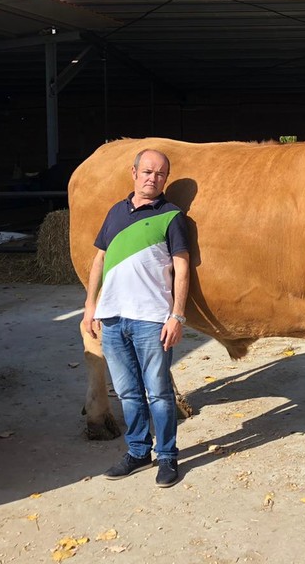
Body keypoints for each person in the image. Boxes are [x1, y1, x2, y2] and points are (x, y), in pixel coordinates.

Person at [81, 148, 190, 487]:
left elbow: (183, 268)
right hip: (112, 318)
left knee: (158, 393)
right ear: (134, 172)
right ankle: (139, 451)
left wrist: (177, 316)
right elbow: (99, 260)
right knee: (128, 393)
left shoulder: (172, 216)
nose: (152, 178)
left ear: (165, 180)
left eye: (159, 174)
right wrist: (90, 304)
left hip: (151, 319)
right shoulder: (115, 212)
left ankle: (168, 457)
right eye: (147, 172)